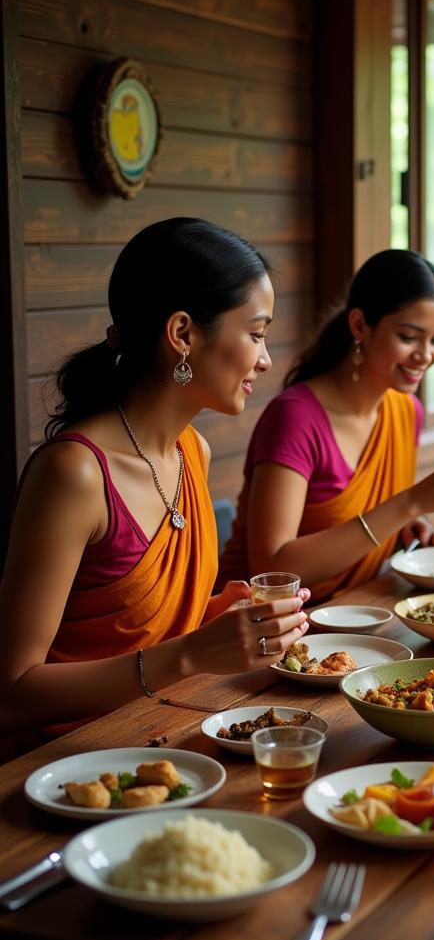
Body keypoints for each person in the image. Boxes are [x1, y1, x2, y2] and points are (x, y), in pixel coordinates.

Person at [0, 218, 310, 734]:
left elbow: (138, 638)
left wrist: (215, 619)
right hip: (68, 769)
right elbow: (12, 694)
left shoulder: (193, 451)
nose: (265, 359)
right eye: (256, 334)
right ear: (182, 333)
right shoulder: (74, 473)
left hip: (172, 731)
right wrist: (189, 654)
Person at [217, 249, 434, 602]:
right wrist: (410, 504)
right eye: (410, 337)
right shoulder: (295, 418)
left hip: (359, 609)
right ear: (360, 326)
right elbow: (273, 569)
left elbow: (365, 516)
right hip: (258, 626)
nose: (426, 355)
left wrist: (404, 526)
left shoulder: (405, 410)